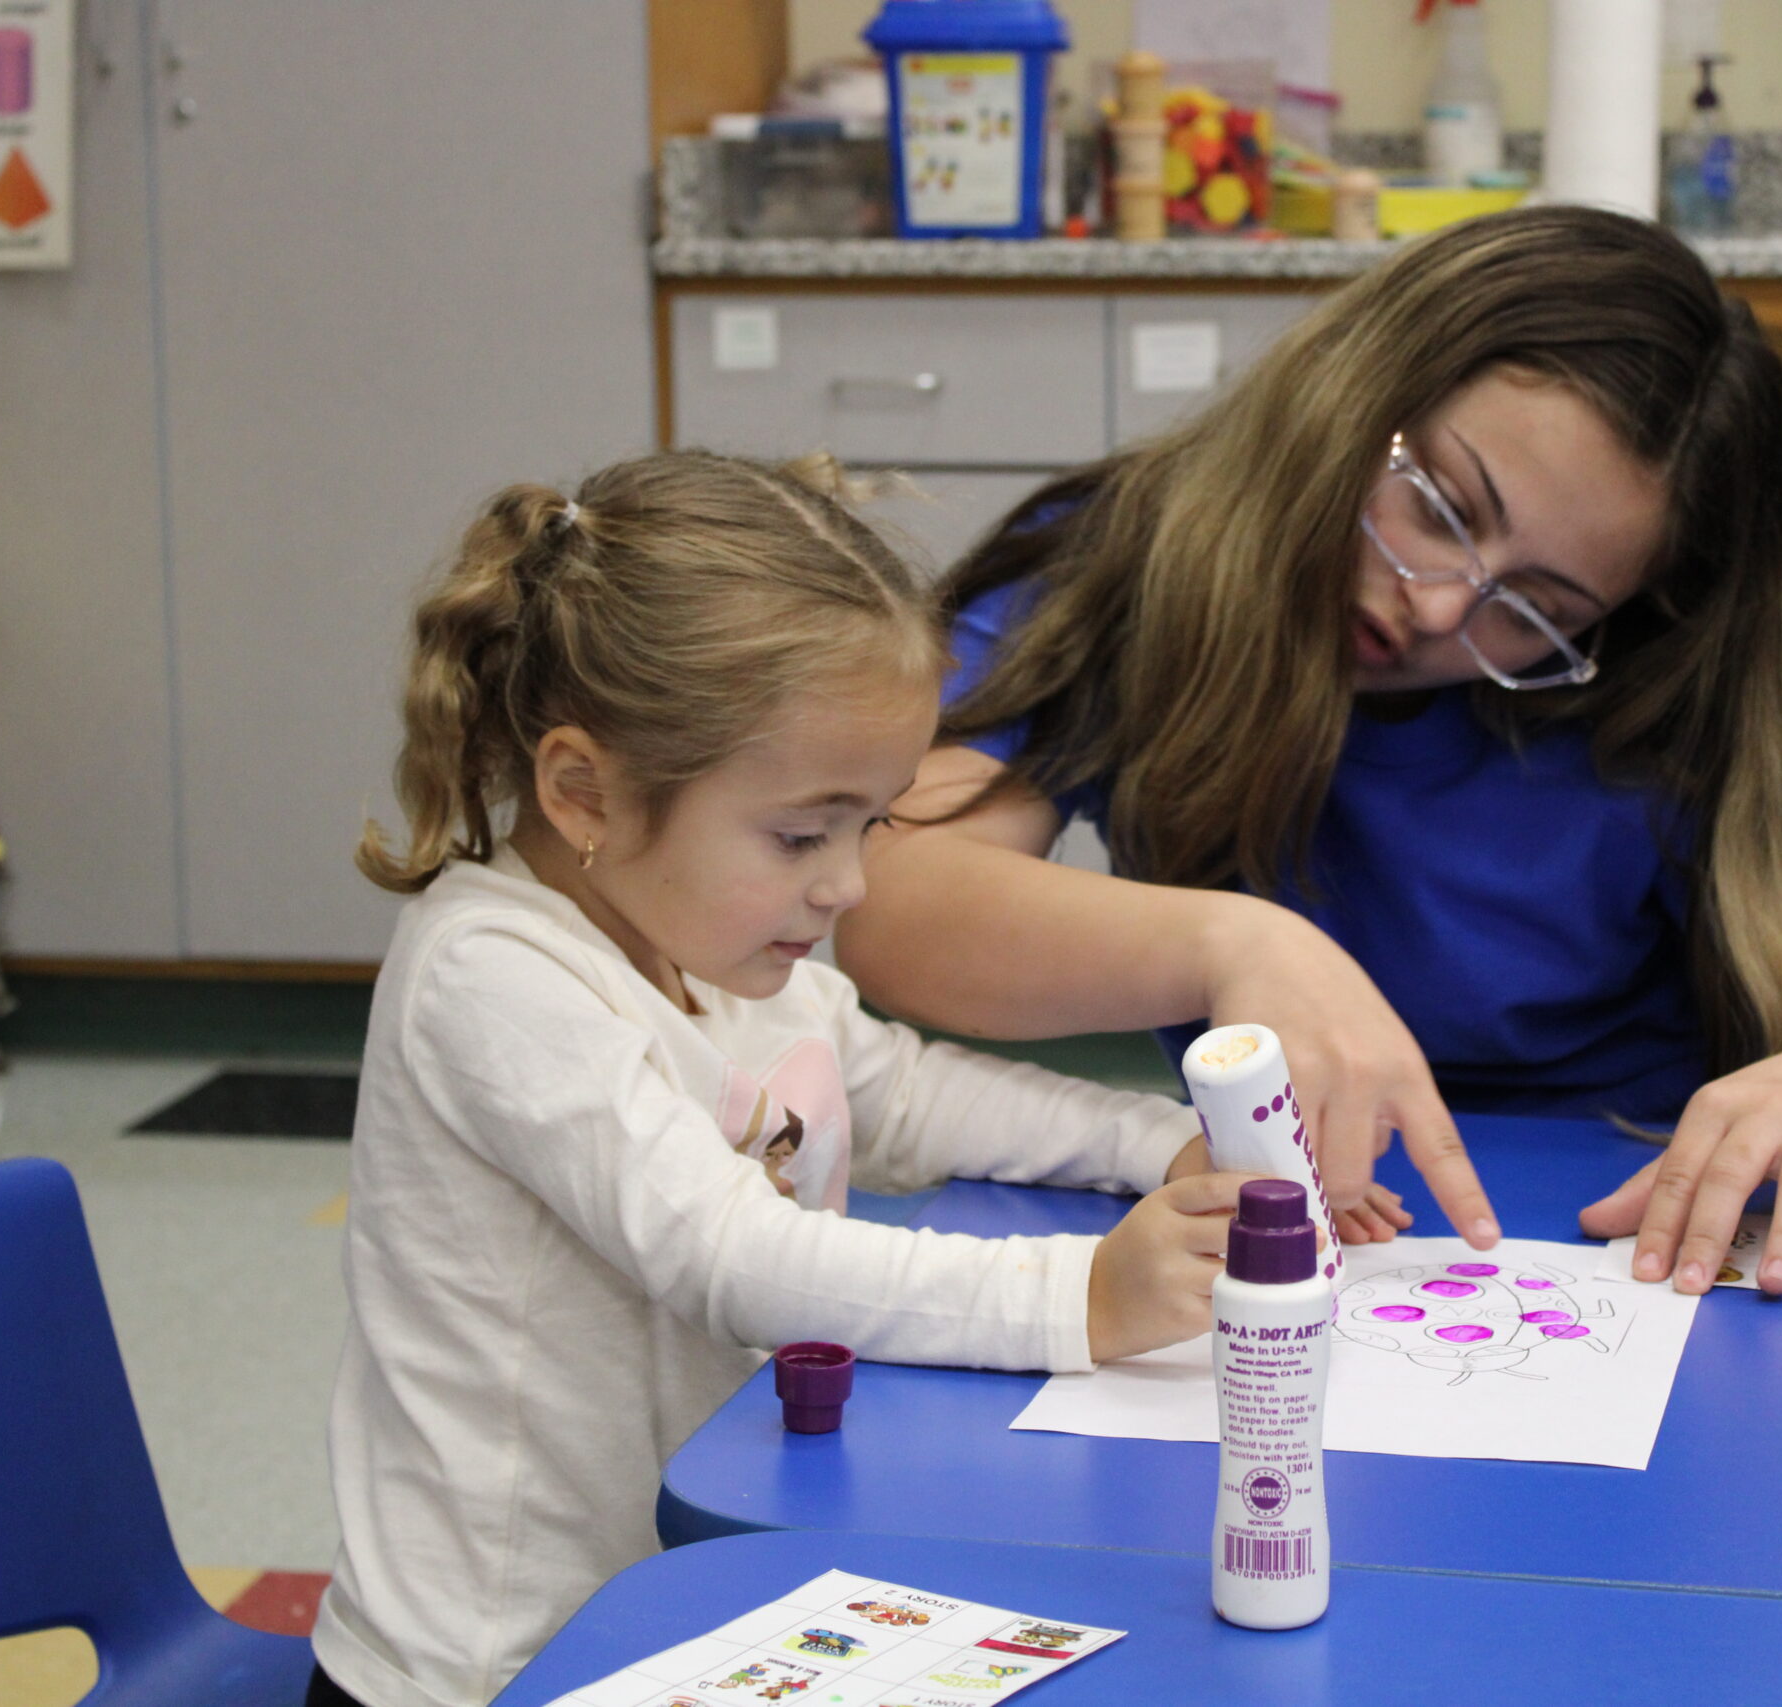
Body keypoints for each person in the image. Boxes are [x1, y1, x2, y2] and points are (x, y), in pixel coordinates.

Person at [836, 207, 1782, 1304]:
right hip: (1307, 1249)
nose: (1437, 607)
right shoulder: (1116, 566)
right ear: (1351, 387)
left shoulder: (1668, 700)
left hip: (1637, 1256)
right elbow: (883, 889)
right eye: (1437, 505)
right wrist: (1234, 944)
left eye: (1536, 606)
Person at [311, 451, 1249, 1707]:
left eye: (871, 824)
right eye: (803, 833)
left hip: (683, 1605)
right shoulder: (493, 974)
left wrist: (1158, 1146)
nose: (847, 884)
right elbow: (736, 1259)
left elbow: (906, 1094)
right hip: (493, 1671)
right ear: (583, 789)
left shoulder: (730, 950)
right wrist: (1081, 1296)